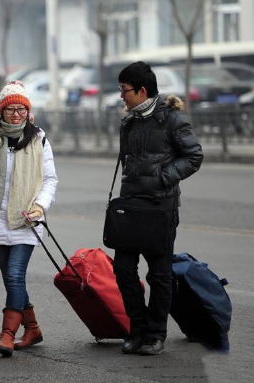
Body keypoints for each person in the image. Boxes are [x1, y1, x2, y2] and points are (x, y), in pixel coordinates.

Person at [113, 61, 203, 356]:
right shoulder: (129, 121)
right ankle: (137, 329)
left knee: (159, 272)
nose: (121, 96)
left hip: (160, 207)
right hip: (130, 205)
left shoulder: (172, 120)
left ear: (141, 91)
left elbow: (193, 156)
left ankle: (155, 334)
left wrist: (162, 178)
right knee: (123, 268)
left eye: (124, 90)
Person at [0, 80, 58, 357]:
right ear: (2, 111)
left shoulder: (39, 138)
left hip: (26, 219)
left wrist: (40, 207)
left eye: (21, 109)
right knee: (12, 281)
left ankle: (7, 334)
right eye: (10, 109)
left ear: (28, 110)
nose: (16, 114)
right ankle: (32, 328)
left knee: (15, 275)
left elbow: (50, 180)